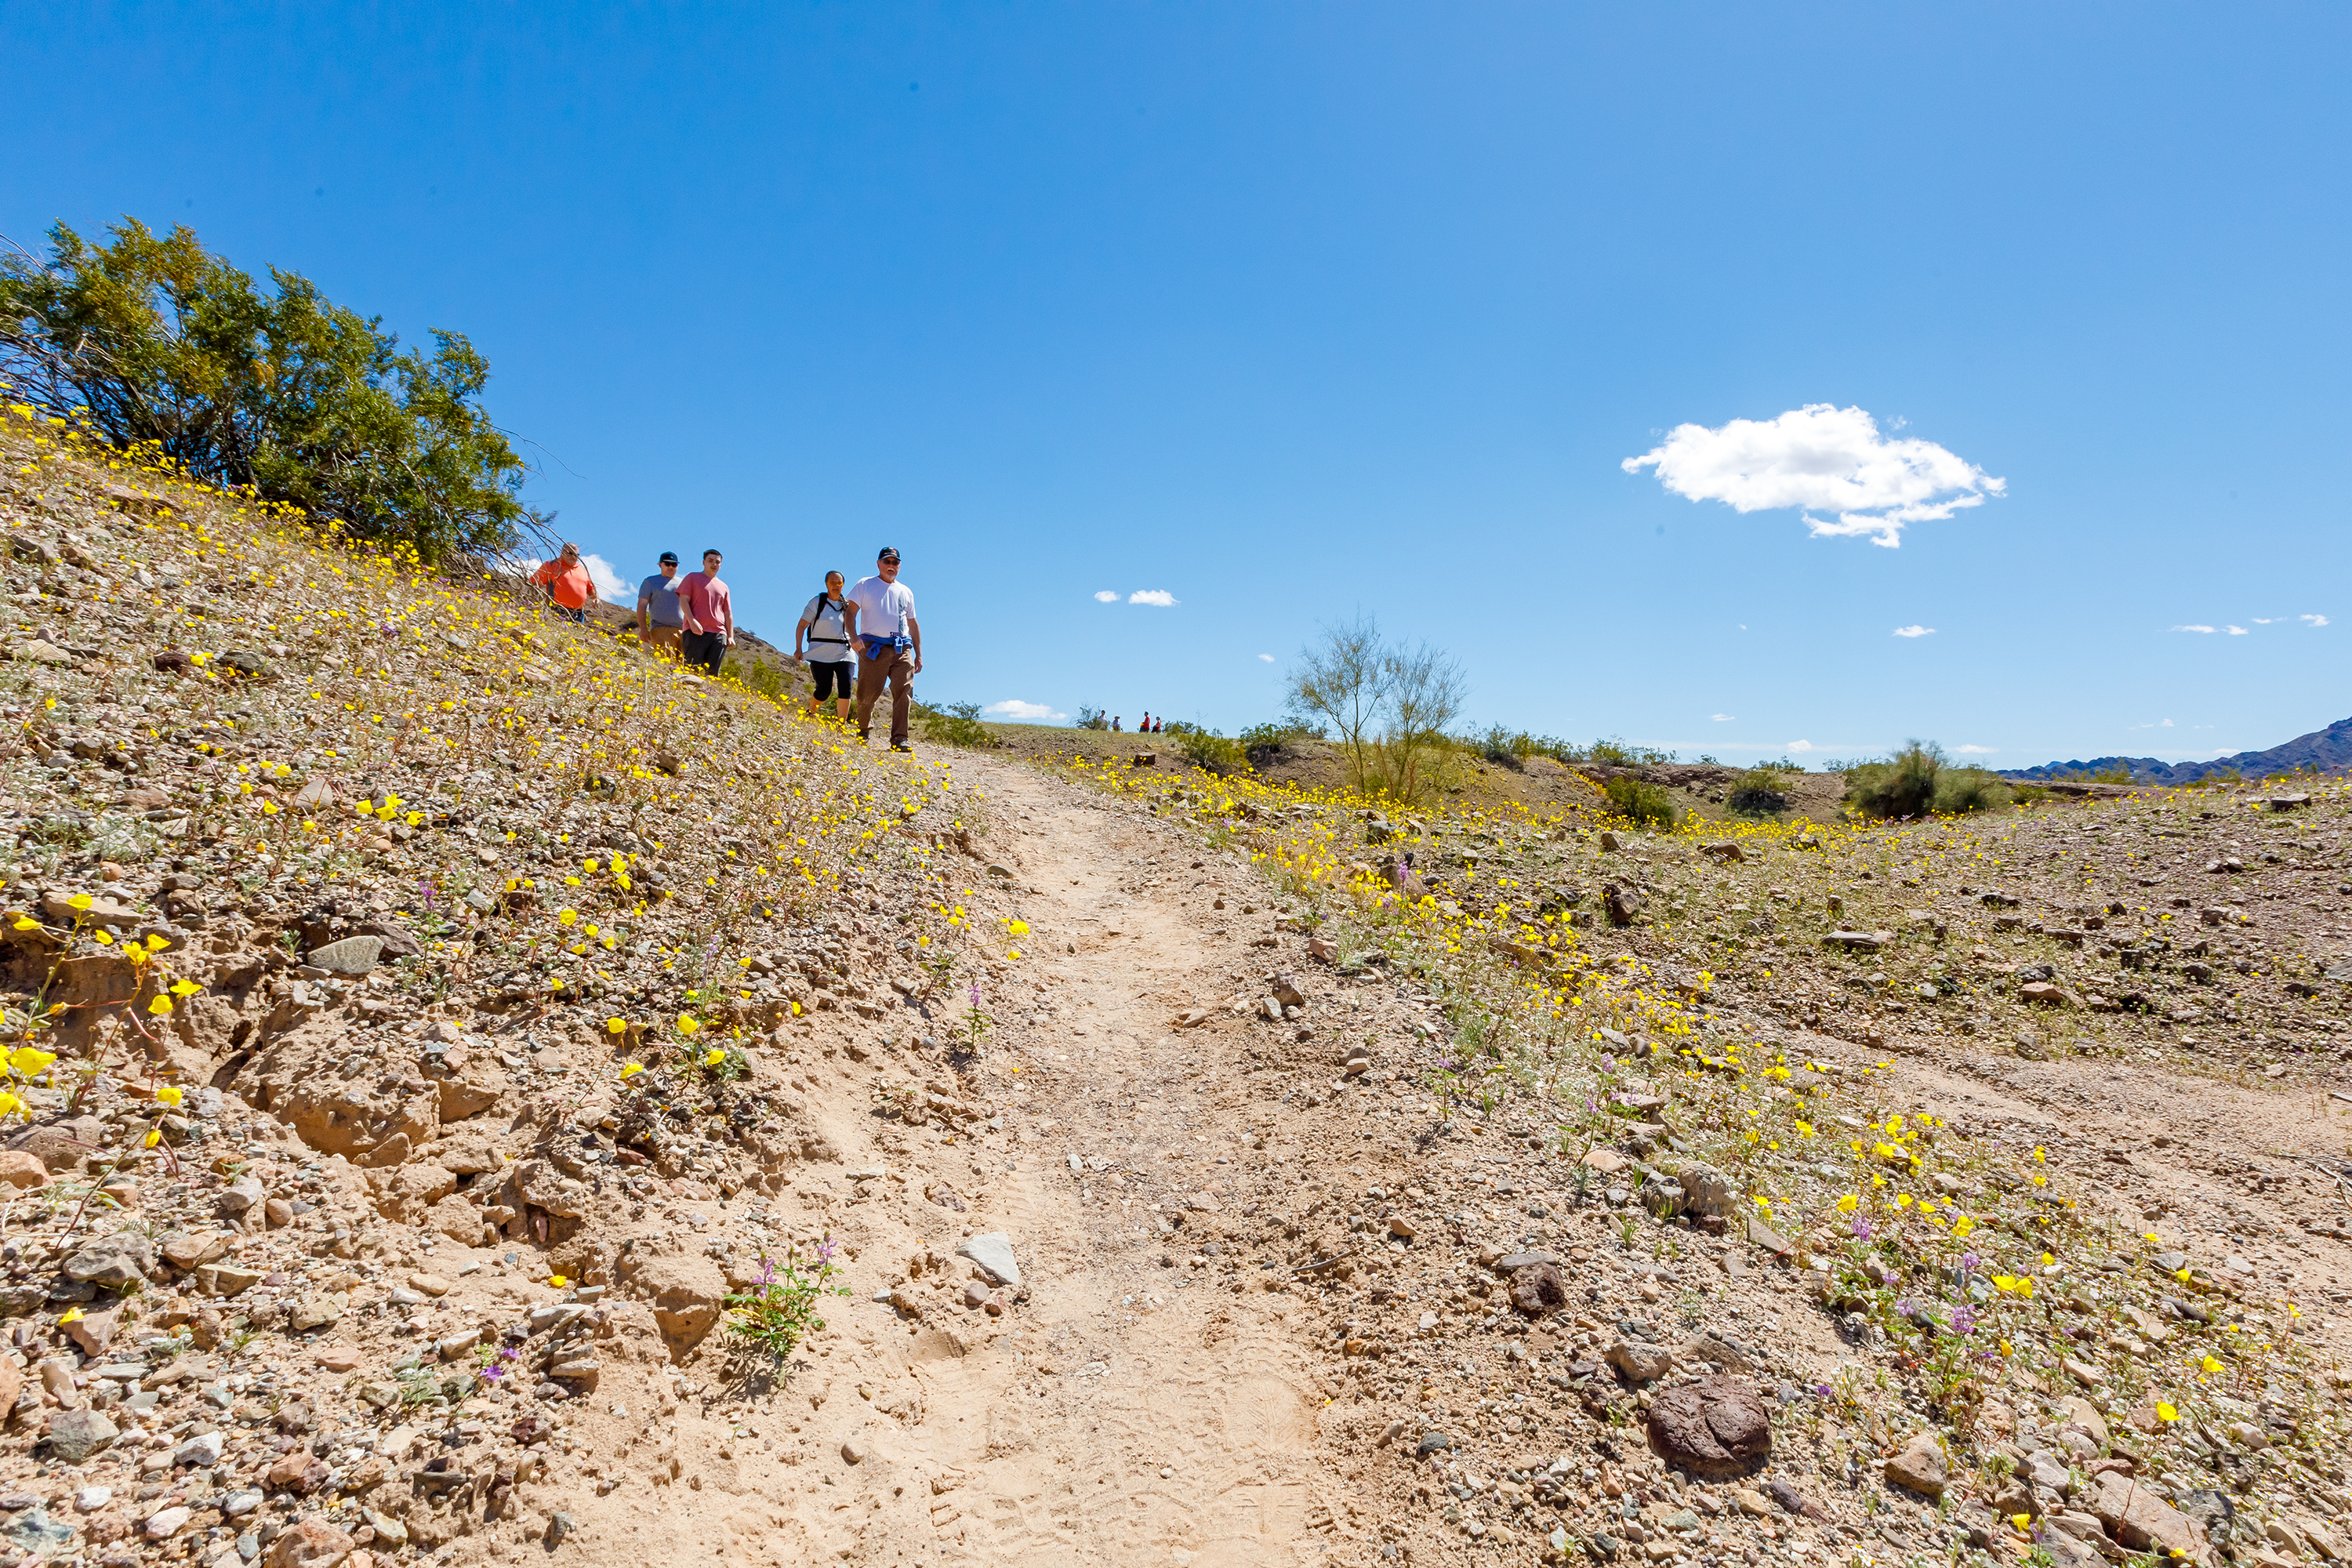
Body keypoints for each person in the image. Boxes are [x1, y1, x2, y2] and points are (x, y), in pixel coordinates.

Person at [845, 546, 921, 751]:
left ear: (899, 566)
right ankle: (863, 729)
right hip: (872, 647)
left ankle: (899, 739)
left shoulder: (906, 591)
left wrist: (918, 654)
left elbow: (913, 624)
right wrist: (853, 637)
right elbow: (851, 611)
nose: (890, 566)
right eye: (887, 561)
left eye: (895, 562)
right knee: (867, 694)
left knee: (904, 691)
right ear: (878, 563)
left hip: (901, 647)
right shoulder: (865, 584)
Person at [795, 570, 857, 721]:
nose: (836, 585)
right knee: (824, 690)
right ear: (826, 584)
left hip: (844, 652)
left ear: (843, 585)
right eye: (832, 582)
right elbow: (802, 625)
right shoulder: (817, 602)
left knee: (846, 687)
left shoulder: (848, 605)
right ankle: (811, 713)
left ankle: (841, 725)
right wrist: (799, 648)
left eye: (839, 583)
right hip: (820, 652)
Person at [677, 548, 733, 676]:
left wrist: (730, 636)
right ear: (703, 562)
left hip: (719, 634)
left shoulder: (724, 587)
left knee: (712, 674)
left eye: (717, 562)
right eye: (710, 561)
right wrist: (692, 621)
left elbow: (728, 613)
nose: (714, 564)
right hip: (695, 630)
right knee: (692, 670)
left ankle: (709, 695)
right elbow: (684, 600)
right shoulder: (692, 577)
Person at [532, 543, 597, 623]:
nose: (573, 557)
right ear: (562, 552)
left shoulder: (581, 570)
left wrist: (595, 599)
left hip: (578, 614)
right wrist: (533, 602)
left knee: (574, 635)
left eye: (576, 555)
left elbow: (590, 588)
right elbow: (534, 583)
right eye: (570, 553)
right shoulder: (551, 565)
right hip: (556, 609)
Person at [635, 551, 684, 655]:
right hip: (661, 628)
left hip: (684, 630)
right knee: (667, 665)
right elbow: (642, 605)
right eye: (667, 564)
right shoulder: (651, 581)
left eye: (674, 564)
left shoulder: (683, 583)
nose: (670, 567)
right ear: (660, 565)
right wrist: (643, 628)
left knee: (684, 666)